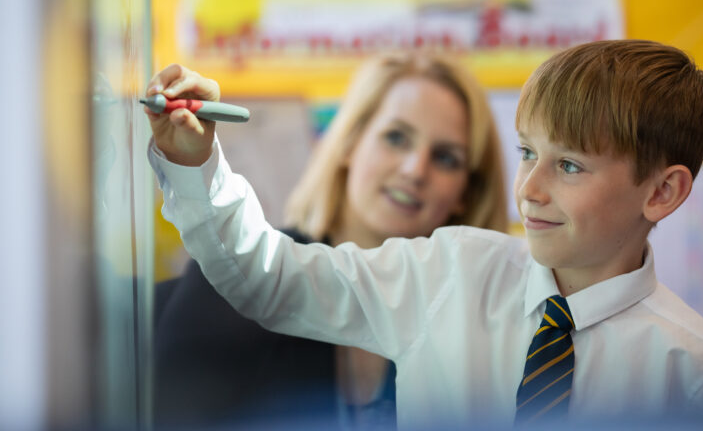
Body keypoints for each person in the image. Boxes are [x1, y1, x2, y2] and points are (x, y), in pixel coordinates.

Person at [145, 40, 703, 429]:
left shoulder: (697, 373)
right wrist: (200, 166)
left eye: (568, 165)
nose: (530, 189)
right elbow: (269, 277)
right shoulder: (450, 269)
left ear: (662, 192)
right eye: (527, 153)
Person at [151, 51, 509, 429]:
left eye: (446, 158)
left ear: (467, 193)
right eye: (396, 137)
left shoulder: (471, 327)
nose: (415, 170)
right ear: (349, 143)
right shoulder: (241, 273)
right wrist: (192, 157)